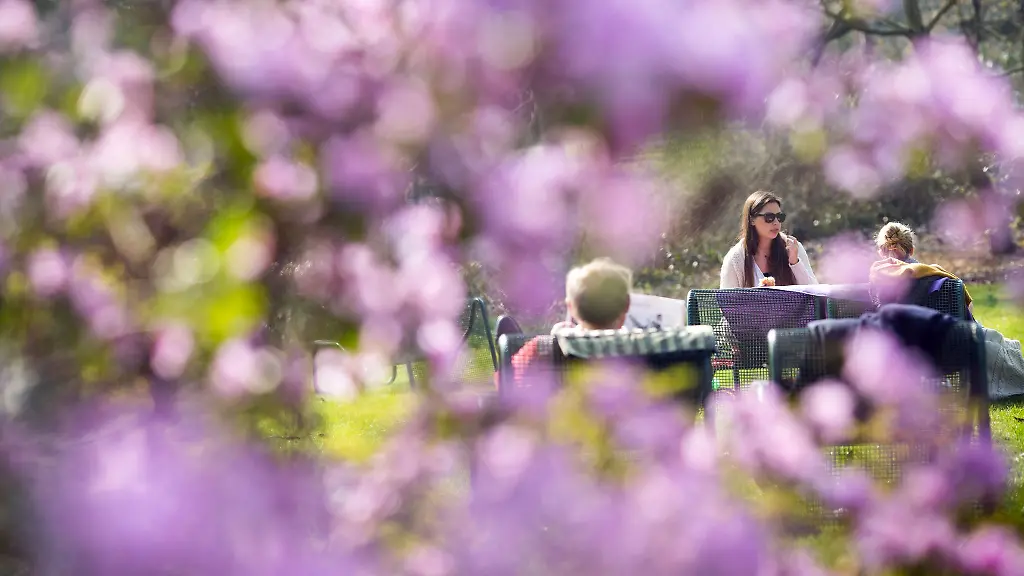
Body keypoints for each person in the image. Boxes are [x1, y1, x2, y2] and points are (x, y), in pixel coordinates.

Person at [509, 258, 632, 385]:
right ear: (627, 304)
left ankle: (513, 342)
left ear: (571, 307)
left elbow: (507, 382)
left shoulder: (543, 347)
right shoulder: (646, 348)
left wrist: (556, 337)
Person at [869, 222, 974, 319]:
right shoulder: (934, 274)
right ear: (911, 250)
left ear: (881, 253)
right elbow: (967, 308)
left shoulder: (872, 281)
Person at [720, 191, 818, 288]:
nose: (776, 222)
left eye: (780, 217)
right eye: (769, 217)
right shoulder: (736, 258)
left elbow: (815, 293)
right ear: (752, 220)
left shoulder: (793, 248)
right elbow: (727, 301)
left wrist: (795, 262)